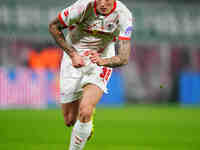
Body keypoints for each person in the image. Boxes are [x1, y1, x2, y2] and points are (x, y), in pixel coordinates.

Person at [48, 0, 135, 149]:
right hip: (74, 57)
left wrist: (103, 61)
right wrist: (73, 54)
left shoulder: (124, 16)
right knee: (69, 120)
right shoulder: (82, 7)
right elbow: (53, 26)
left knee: (85, 109)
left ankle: (87, 113)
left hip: (101, 59)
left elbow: (124, 58)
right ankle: (87, 120)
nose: (102, 3)